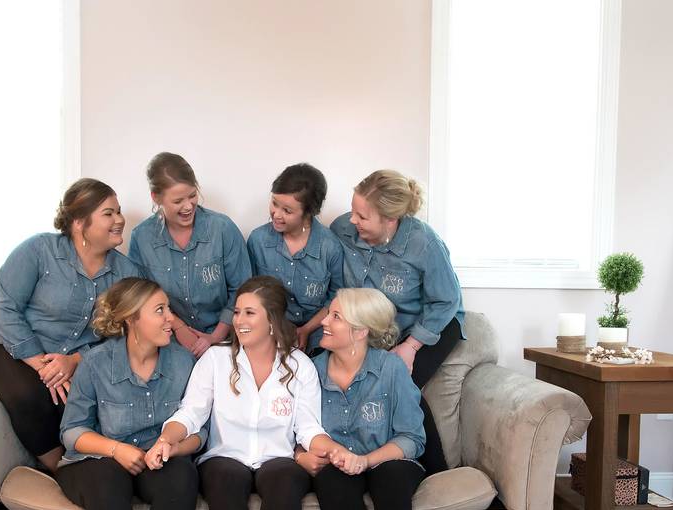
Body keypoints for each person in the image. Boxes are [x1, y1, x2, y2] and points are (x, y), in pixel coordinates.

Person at [163, 275, 352, 510]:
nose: (239, 320)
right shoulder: (216, 361)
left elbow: (308, 429)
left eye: (250, 312)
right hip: (225, 455)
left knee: (286, 483)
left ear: (272, 321)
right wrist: (168, 439)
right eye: (237, 312)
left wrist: (329, 448)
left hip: (278, 458)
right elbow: (190, 414)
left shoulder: (300, 365)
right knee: (222, 480)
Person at [57, 278, 200, 510]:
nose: (172, 319)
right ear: (130, 319)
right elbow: (72, 431)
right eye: (160, 310)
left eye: (169, 308)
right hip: (99, 461)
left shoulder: (184, 362)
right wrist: (116, 449)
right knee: (105, 481)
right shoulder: (95, 362)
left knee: (182, 478)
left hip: (157, 461)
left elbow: (200, 433)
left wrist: (169, 447)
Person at [0, 179, 142, 473]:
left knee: (86, 405)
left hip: (72, 361)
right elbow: (4, 309)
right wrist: (44, 366)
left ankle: (92, 468)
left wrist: (76, 361)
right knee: (31, 397)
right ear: (80, 223)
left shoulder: (126, 273)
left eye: (119, 211)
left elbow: (125, 334)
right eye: (108, 213)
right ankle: (61, 470)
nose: (119, 220)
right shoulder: (39, 250)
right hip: (8, 349)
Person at [296, 288, 425, 510]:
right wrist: (303, 455)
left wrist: (366, 460)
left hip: (387, 460)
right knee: (332, 486)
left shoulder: (391, 368)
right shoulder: (309, 370)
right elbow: (296, 429)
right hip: (336, 465)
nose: (323, 320)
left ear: (361, 330)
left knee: (393, 482)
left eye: (335, 316)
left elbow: (412, 438)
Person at [330, 170, 464, 475]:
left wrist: (412, 346)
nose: (352, 220)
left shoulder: (423, 243)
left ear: (390, 220)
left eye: (362, 216)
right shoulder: (343, 229)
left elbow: (446, 301)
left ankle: (437, 473)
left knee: (399, 382)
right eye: (353, 211)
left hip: (433, 325)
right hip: (381, 329)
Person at [128, 152, 252, 358]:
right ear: (156, 198)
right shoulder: (142, 237)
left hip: (226, 336)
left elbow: (242, 289)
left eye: (192, 195)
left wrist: (215, 337)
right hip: (169, 337)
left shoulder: (222, 228)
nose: (188, 206)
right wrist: (178, 327)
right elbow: (142, 296)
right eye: (178, 201)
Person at [246, 163, 343, 353]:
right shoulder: (258, 240)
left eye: (287, 211)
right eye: (274, 203)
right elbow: (251, 295)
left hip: (317, 330)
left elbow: (335, 298)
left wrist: (306, 330)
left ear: (309, 212)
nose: (277, 214)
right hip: (270, 327)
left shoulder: (330, 247)